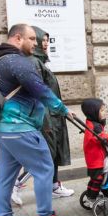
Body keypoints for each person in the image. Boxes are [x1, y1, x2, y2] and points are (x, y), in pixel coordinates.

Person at [0, 24, 73, 216]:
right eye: (32, 39)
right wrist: (63, 109)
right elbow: (41, 90)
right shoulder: (17, 62)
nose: (35, 43)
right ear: (18, 38)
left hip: (1, 128)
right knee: (44, 169)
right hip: (20, 128)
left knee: (5, 177)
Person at [11, 26, 74, 206]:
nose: (45, 43)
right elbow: (38, 92)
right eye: (41, 40)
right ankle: (17, 184)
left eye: (47, 40)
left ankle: (54, 186)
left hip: (53, 114)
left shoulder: (40, 61)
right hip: (45, 116)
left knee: (53, 153)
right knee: (46, 155)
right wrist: (48, 117)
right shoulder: (33, 62)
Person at [79, 98, 108, 209]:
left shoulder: (91, 123)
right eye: (102, 110)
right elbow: (104, 139)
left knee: (94, 178)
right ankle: (92, 198)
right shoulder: (95, 126)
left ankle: (90, 195)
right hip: (96, 159)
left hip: (92, 157)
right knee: (98, 179)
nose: (105, 112)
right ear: (93, 112)